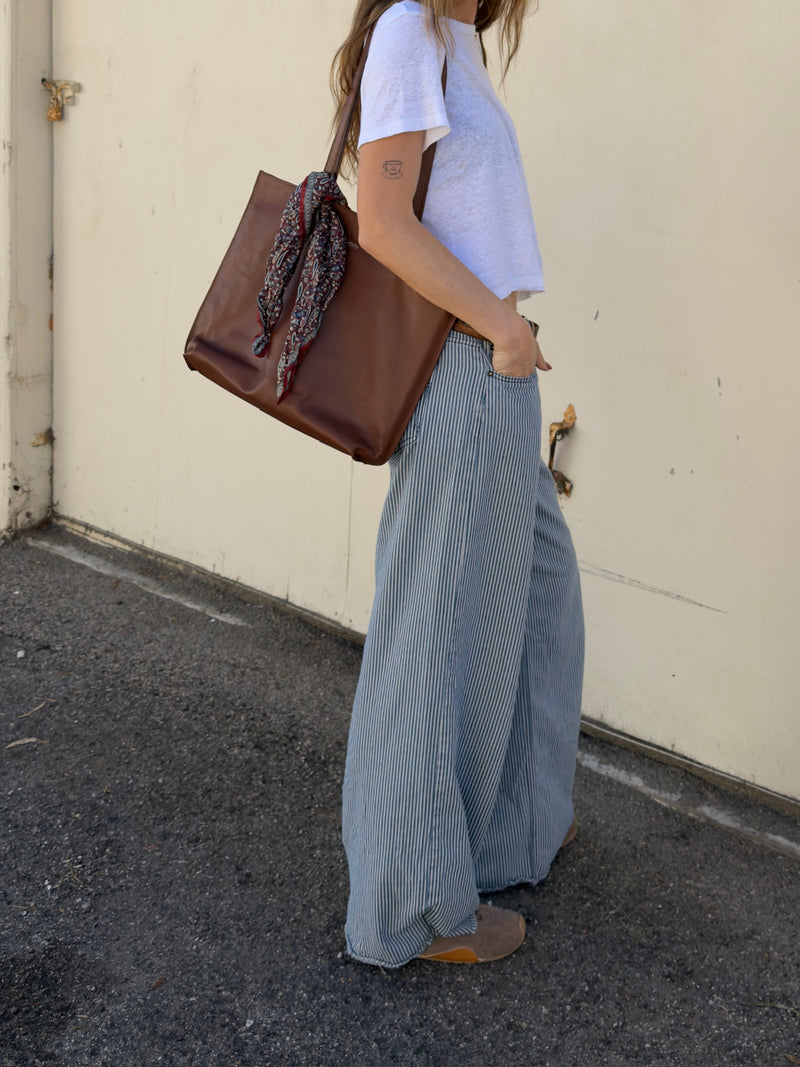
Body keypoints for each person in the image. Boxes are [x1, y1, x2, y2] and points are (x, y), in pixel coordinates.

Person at [331, 0, 584, 968]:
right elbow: (383, 225)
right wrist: (501, 328)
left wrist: (506, 332)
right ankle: (410, 903)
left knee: (537, 597)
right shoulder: (405, 29)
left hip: (491, 363)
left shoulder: (453, 39)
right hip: (462, 368)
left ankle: (509, 830)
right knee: (429, 631)